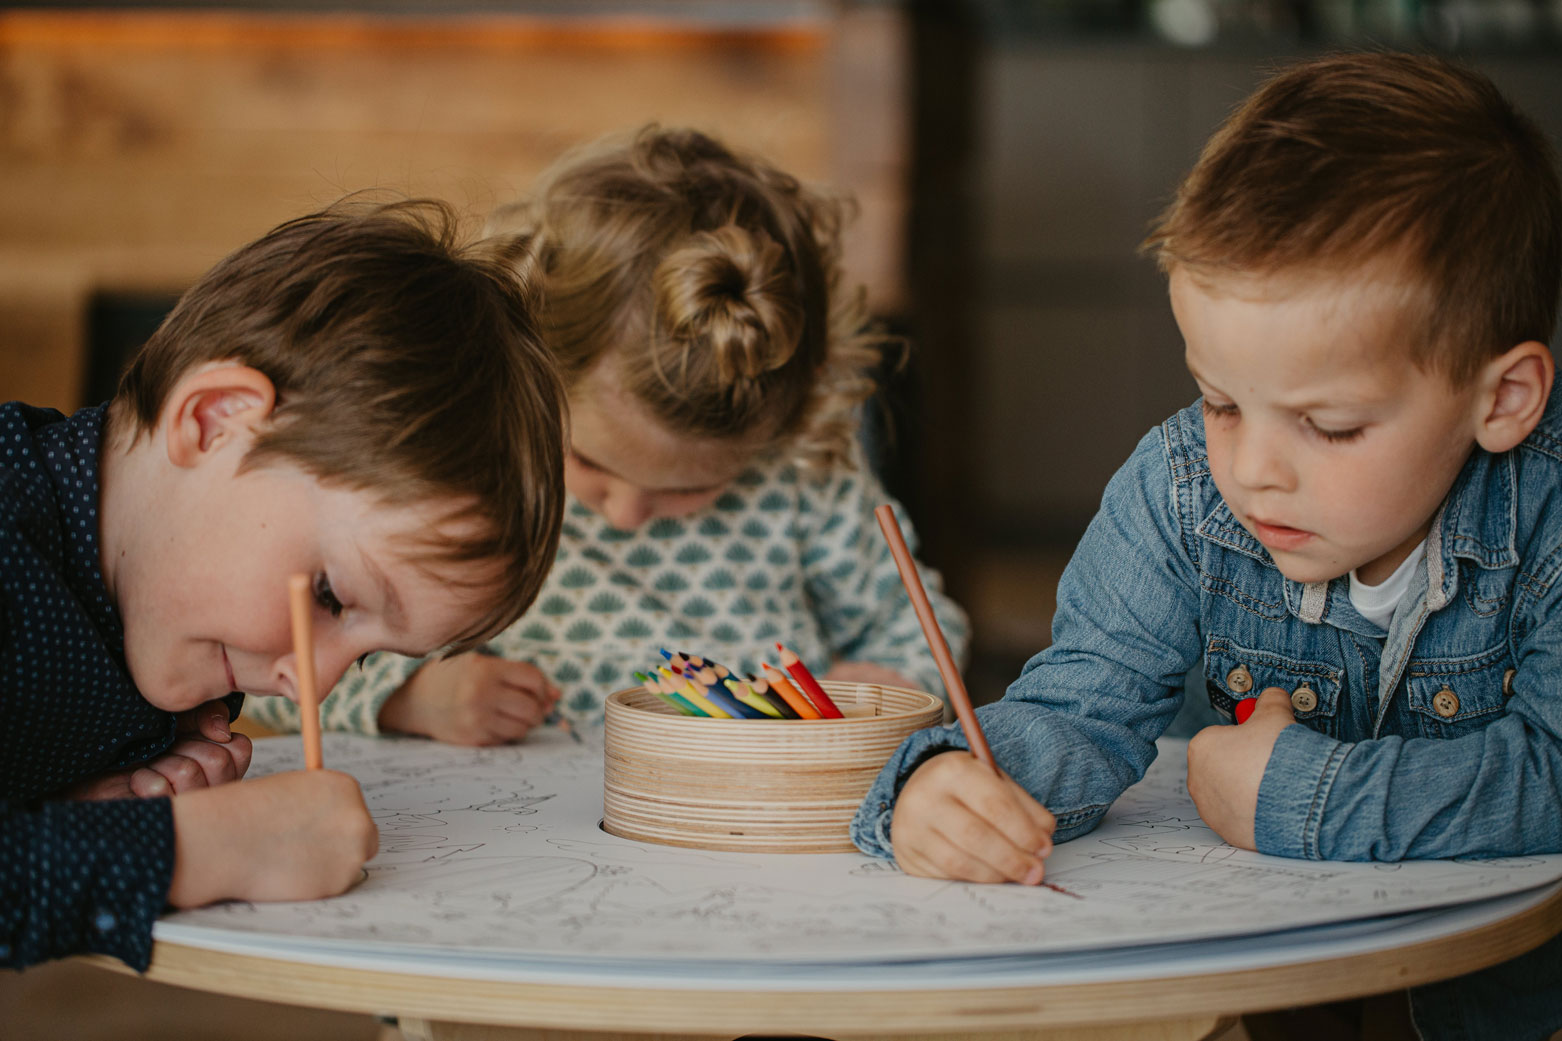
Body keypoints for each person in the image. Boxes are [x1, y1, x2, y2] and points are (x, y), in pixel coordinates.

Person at [852, 52, 1562, 1041]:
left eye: (1328, 424)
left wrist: (1296, 795)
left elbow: (1549, 775)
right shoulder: (1178, 488)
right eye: (1221, 401)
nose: (1253, 471)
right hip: (1257, 1005)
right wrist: (943, 789)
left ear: (1501, 398)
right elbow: (1080, 707)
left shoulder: (1547, 511)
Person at [245, 126, 966, 745]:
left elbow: (924, 633)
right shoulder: (471, 467)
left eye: (691, 489)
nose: (623, 513)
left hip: (746, 839)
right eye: (587, 462)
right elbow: (271, 672)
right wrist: (410, 699)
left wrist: (889, 684)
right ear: (521, 364)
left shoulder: (806, 476)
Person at [2, 198, 567, 970]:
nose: (312, 689)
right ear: (217, 421)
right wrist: (200, 848)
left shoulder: (166, 623)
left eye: (367, 658)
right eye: (333, 596)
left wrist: (75, 816)